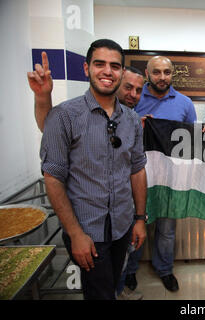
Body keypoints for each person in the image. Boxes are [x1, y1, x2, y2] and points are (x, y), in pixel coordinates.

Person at [35, 39, 148, 300]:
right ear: (87, 68)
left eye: (115, 66)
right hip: (87, 230)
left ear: (121, 72)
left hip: (121, 226)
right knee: (100, 294)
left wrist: (140, 219)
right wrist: (75, 234)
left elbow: (137, 170)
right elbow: (52, 178)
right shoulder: (64, 115)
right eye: (100, 64)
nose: (108, 71)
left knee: (111, 284)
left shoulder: (131, 119)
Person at [134, 56, 197, 292]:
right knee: (135, 224)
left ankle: (165, 270)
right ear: (147, 74)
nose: (162, 77)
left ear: (173, 74)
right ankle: (130, 271)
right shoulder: (134, 98)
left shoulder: (185, 103)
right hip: (138, 176)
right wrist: (136, 123)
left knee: (167, 230)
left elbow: (190, 140)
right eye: (157, 72)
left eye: (167, 72)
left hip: (171, 178)